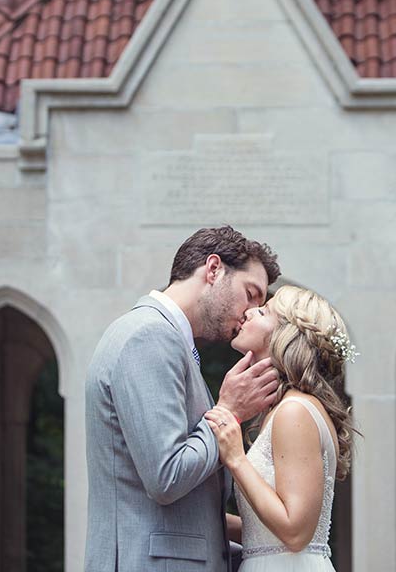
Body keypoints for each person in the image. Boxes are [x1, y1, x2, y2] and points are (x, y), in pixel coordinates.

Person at [84, 226, 282, 572]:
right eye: (250, 293)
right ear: (214, 269)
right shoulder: (148, 337)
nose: (251, 311)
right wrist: (229, 411)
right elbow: (167, 476)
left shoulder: (166, 339)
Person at [205, 285, 357, 571]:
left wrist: (236, 458)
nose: (249, 312)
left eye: (263, 312)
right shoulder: (284, 409)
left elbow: (295, 533)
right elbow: (266, 532)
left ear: (284, 336)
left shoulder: (294, 412)